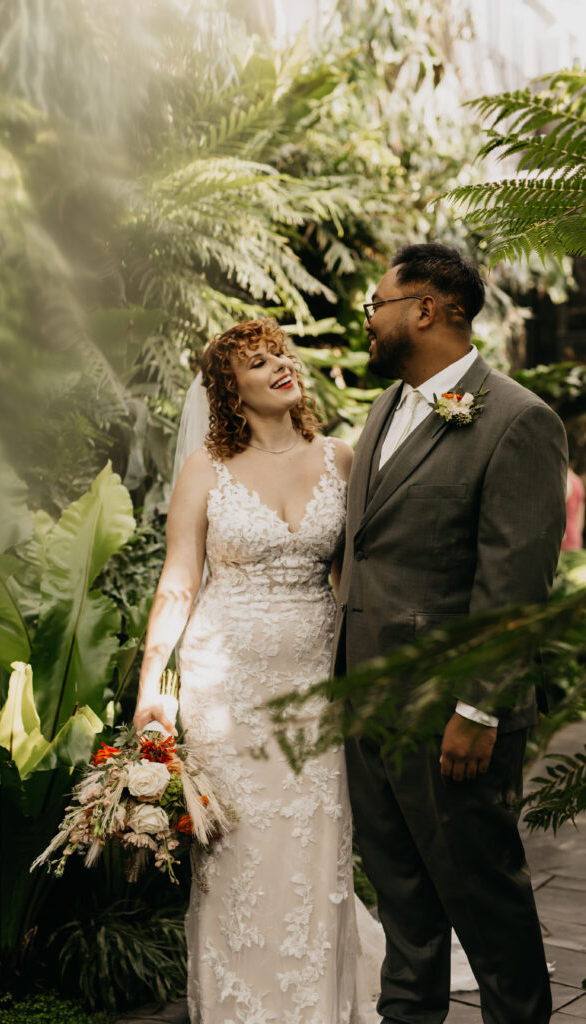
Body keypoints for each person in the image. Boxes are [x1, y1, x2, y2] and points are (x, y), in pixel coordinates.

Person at [332, 242, 568, 1024]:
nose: (368, 321)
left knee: (486, 906)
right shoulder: (383, 408)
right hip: (367, 706)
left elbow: (512, 587)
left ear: (426, 310)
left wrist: (478, 709)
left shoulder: (516, 420)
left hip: (450, 720)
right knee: (404, 907)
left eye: (377, 305)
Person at [133, 318, 383, 1023]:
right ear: (228, 389)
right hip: (224, 686)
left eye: (279, 353)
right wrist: (153, 688)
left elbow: (354, 578)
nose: (279, 364)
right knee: (237, 857)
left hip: (314, 682)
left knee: (312, 845)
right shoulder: (204, 472)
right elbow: (178, 580)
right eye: (256, 361)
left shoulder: (339, 459)